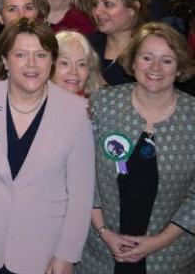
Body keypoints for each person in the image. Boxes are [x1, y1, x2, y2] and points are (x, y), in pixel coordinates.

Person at [0, 18, 95, 274]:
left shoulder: (76, 112)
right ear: (4, 60)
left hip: (43, 253)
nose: (32, 64)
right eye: (21, 54)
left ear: (52, 60)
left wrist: (67, 254)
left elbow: (81, 192)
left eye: (41, 55)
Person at [80, 23, 195, 273]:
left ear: (179, 68)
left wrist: (158, 242)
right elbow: (83, 173)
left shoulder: (192, 116)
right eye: (147, 58)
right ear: (133, 62)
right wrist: (103, 231)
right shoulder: (103, 104)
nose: (155, 68)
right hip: (99, 253)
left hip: (170, 257)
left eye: (166, 60)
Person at [52, 31, 105, 97]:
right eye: (64, 63)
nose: (74, 72)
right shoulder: (37, 104)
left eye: (81, 64)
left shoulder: (99, 105)